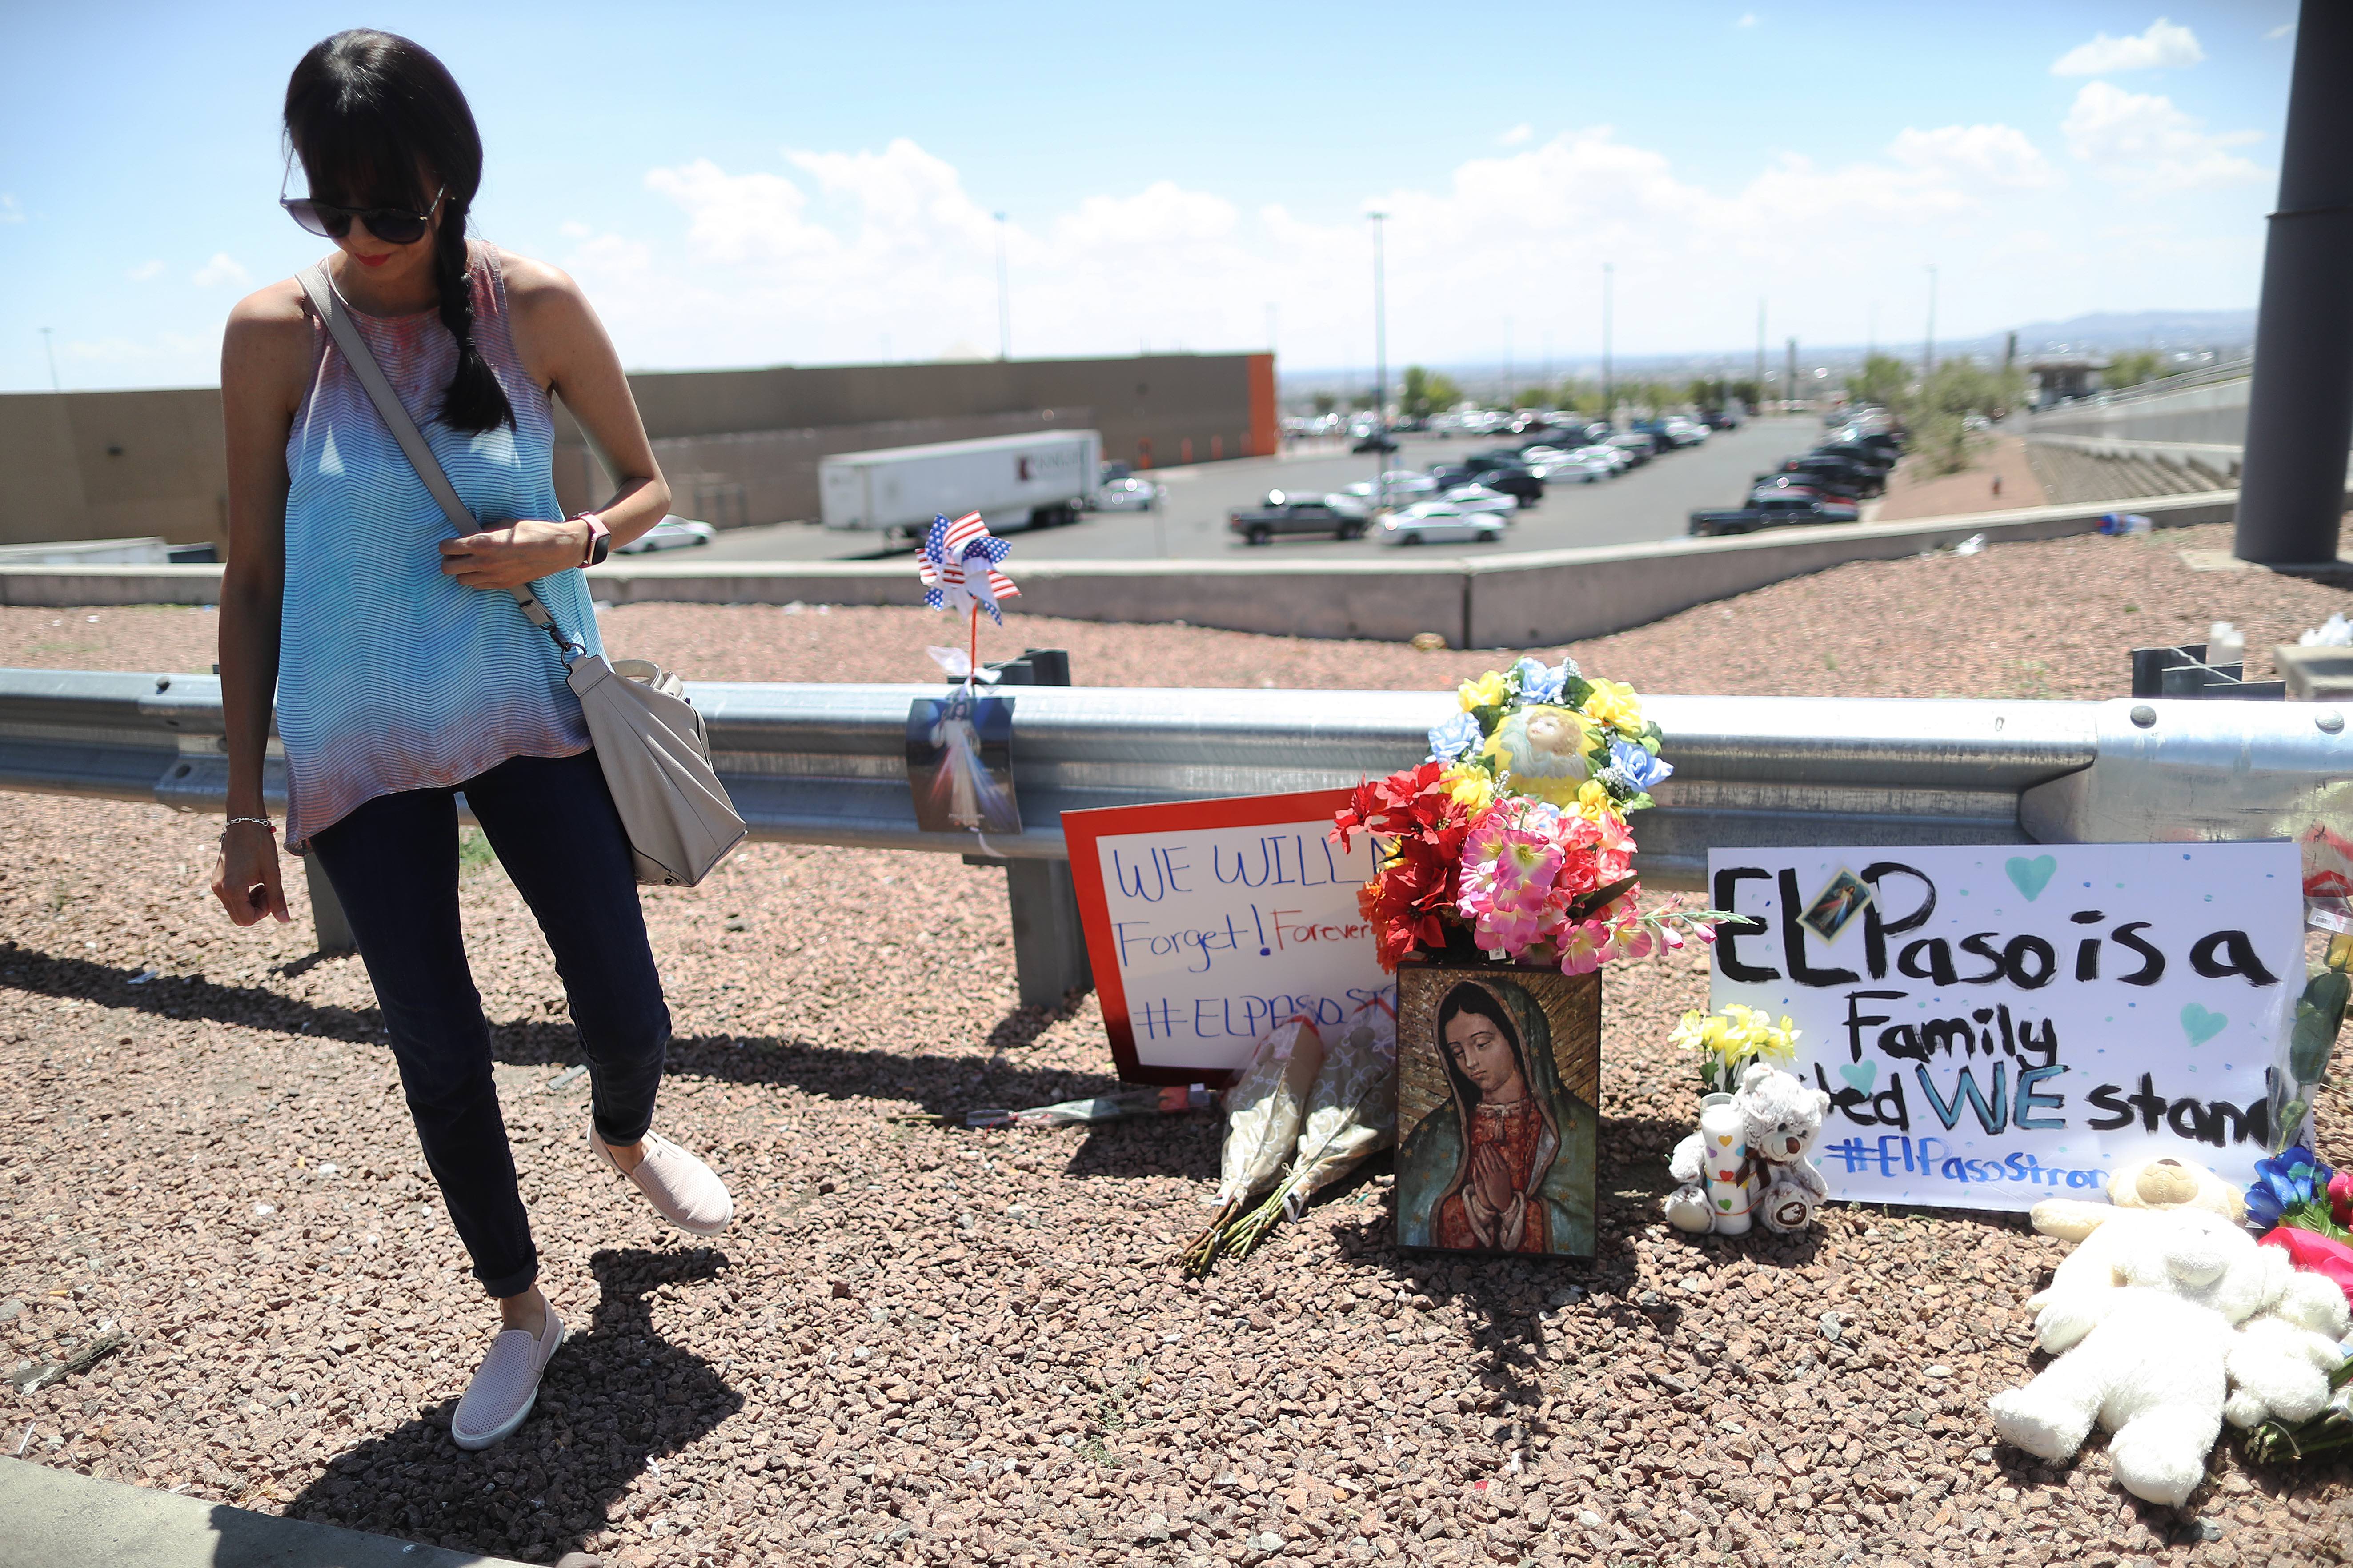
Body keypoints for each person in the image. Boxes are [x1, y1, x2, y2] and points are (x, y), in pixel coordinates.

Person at [211, 29, 731, 1452]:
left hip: (528, 712)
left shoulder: (534, 306)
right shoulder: (273, 334)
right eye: (332, 206)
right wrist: (248, 806)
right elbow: (250, 577)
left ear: (452, 182)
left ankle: (622, 1131)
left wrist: (564, 540)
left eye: (396, 207)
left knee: (626, 1002)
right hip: (358, 734)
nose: (363, 240)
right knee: (435, 1039)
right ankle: (522, 1308)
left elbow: (647, 486)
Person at [1397, 979, 1595, 1254]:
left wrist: (1511, 1207)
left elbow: (1581, 1220)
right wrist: (1479, 1207)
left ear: (1519, 1038)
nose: (1471, 1063)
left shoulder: (1579, 1129)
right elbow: (1413, 1215)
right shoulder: (1433, 1134)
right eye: (1458, 1052)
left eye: (1482, 1044)